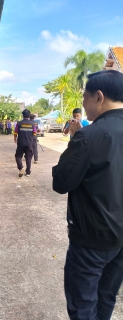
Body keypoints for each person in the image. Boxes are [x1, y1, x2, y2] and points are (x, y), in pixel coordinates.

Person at [52, 70, 123, 320]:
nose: (82, 104)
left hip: (93, 238)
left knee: (83, 305)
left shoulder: (89, 136)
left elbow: (62, 181)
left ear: (99, 97)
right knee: (106, 297)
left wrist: (74, 142)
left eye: (85, 97)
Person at [14, 109, 37, 177]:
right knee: (28, 157)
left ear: (23, 115)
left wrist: (15, 138)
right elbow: (35, 133)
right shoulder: (32, 124)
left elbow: (15, 132)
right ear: (29, 115)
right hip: (29, 143)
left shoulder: (19, 123)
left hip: (20, 143)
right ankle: (28, 172)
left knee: (18, 156)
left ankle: (21, 167)